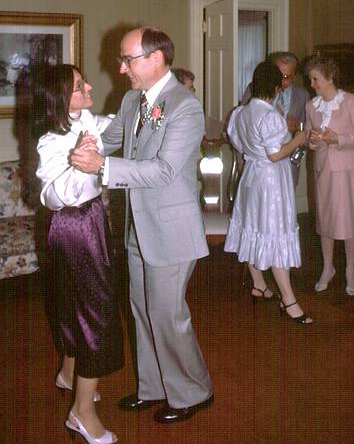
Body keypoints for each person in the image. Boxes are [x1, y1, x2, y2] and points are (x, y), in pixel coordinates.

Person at [70, 27, 213, 422]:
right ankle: (153, 386)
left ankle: (193, 391)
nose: (120, 68)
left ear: (155, 59)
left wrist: (103, 166)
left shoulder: (185, 106)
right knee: (142, 310)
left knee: (168, 315)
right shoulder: (134, 99)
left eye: (127, 59)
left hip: (171, 229)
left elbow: (166, 170)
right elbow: (110, 136)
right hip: (139, 226)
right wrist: (86, 144)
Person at [34, 64, 123, 444]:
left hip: (91, 220)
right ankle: (81, 413)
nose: (88, 86)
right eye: (77, 86)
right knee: (96, 312)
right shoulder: (51, 140)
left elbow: (112, 125)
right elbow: (53, 197)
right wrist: (78, 162)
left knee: (76, 304)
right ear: (60, 99)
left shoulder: (83, 117)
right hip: (72, 226)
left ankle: (70, 375)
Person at [224, 61, 312, 324]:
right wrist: (298, 138)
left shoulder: (240, 112)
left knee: (253, 228)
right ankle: (289, 301)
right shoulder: (270, 116)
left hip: (251, 176)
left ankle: (259, 283)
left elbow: (239, 143)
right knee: (275, 233)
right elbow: (275, 155)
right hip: (272, 181)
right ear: (275, 87)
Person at [305, 56, 354, 296]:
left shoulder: (351, 101)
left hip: (349, 170)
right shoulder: (311, 106)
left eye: (316, 79)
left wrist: (338, 139)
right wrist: (314, 142)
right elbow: (309, 139)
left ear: (330, 77)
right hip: (324, 170)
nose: (312, 84)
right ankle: (327, 267)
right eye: (311, 79)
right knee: (326, 221)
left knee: (348, 221)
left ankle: (350, 269)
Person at [241, 52, 310, 186]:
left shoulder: (302, 95)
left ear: (295, 75)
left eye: (286, 77)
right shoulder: (255, 88)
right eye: (278, 75)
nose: (282, 81)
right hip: (260, 164)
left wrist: (297, 128)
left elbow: (307, 129)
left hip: (288, 163)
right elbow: (244, 122)